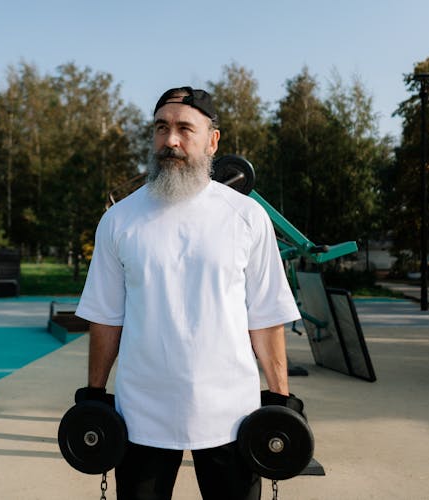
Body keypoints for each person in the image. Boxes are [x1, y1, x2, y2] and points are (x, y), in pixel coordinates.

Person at [74, 87, 302, 500]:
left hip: (231, 412)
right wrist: (94, 394)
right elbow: (106, 316)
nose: (171, 141)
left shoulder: (247, 217)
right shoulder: (119, 220)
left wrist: (280, 399)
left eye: (184, 128)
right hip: (142, 412)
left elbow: (266, 317)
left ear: (213, 140)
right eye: (162, 128)